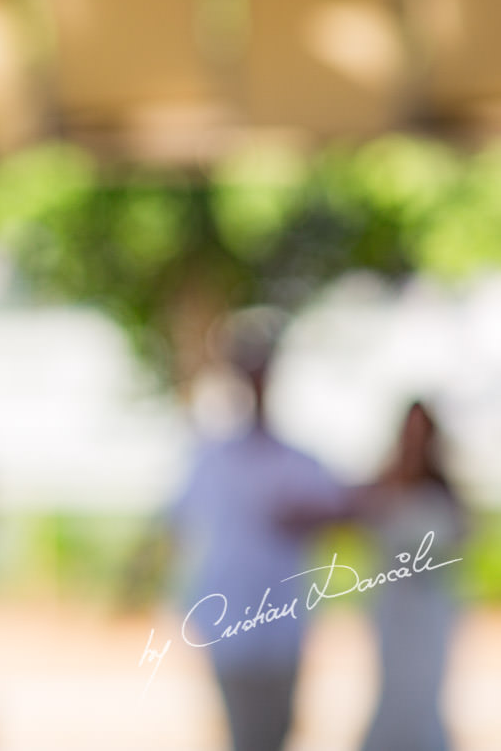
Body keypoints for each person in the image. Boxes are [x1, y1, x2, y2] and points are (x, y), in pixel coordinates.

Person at [170, 309, 350, 751]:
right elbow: (177, 526)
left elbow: (343, 510)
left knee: (275, 731)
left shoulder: (296, 461)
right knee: (247, 733)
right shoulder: (211, 458)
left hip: (282, 626)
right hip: (230, 623)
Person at [358, 401, 465, 751]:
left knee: (424, 695)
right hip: (393, 609)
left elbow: (459, 543)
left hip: (430, 612)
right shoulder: (382, 485)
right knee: (394, 693)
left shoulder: (445, 492)